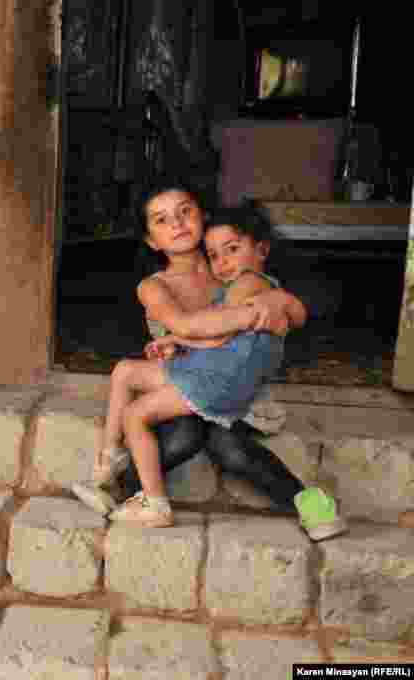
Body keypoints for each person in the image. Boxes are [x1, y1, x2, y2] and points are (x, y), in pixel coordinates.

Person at [70, 184, 347, 540]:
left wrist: (278, 301)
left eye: (185, 211)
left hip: (231, 385)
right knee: (186, 435)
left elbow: (284, 299)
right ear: (151, 240)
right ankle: (122, 483)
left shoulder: (229, 263)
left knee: (228, 448)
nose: (177, 224)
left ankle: (310, 505)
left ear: (203, 216)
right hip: (187, 380)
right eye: (162, 220)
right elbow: (190, 328)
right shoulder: (156, 286)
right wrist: (248, 315)